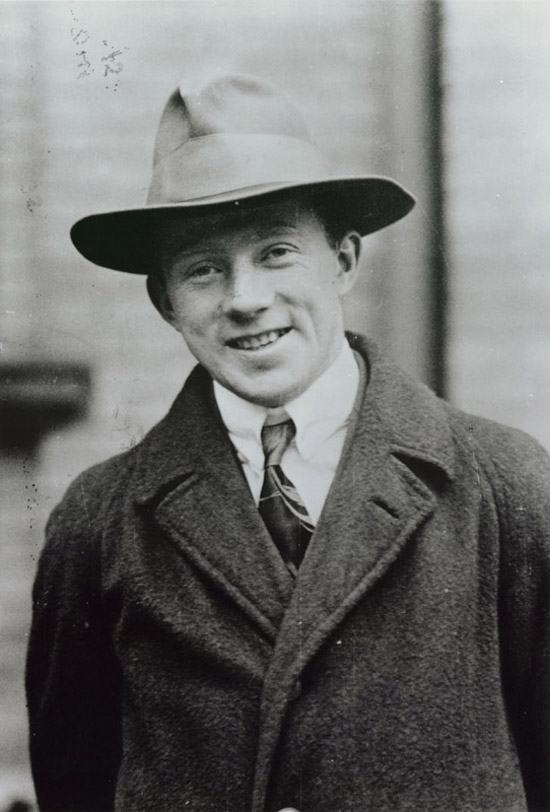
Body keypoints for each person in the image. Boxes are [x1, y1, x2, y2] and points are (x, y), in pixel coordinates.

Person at [26, 74, 550, 812]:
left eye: (276, 252)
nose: (245, 298)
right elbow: (72, 778)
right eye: (205, 268)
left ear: (342, 260)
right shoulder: (102, 523)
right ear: (166, 300)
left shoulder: (503, 487)